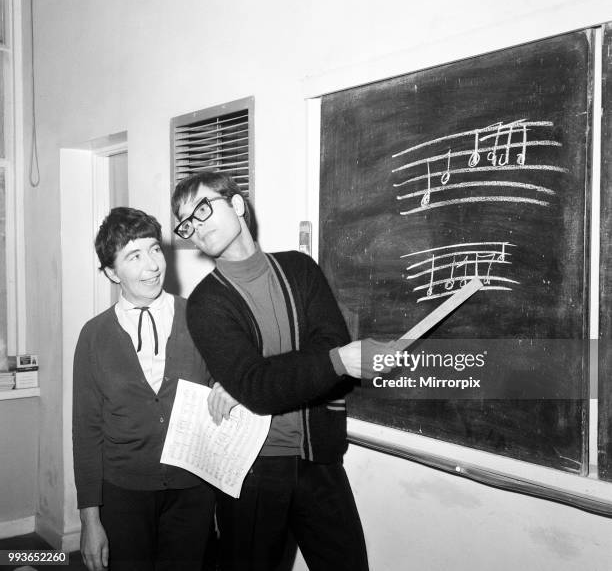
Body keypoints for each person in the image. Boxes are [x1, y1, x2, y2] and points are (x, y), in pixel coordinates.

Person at [171, 172, 392, 571]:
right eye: (187, 223)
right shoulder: (205, 304)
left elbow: (321, 356)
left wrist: (254, 381)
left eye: (203, 209)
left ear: (237, 205)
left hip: (317, 456)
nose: (196, 229)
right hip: (252, 470)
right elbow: (264, 385)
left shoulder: (300, 269)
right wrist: (256, 382)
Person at [72, 207, 215, 571]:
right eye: (134, 256)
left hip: (192, 491)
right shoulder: (94, 336)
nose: (152, 266)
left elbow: (224, 395)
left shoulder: (199, 316)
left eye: (154, 249)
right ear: (110, 272)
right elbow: (86, 432)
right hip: (122, 495)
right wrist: (90, 519)